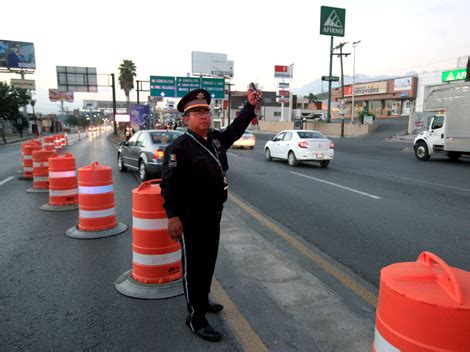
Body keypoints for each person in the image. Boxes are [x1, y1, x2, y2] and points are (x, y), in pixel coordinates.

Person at [161, 86, 262, 342]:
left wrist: (249, 106)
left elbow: (237, 129)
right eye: (197, 113)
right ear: (186, 119)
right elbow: (169, 184)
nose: (204, 116)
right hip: (190, 217)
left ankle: (203, 299)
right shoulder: (179, 148)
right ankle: (195, 318)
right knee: (193, 268)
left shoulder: (216, 140)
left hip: (213, 213)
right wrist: (173, 216)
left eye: (206, 111)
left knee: (208, 262)